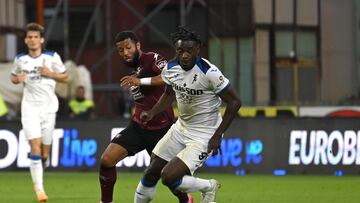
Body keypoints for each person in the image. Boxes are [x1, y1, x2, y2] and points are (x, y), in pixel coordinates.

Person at [130, 27, 241, 203]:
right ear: (176, 50)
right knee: (152, 171)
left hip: (204, 134)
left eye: (189, 51)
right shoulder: (171, 68)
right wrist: (152, 113)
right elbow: (169, 94)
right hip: (181, 128)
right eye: (181, 50)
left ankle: (209, 186)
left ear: (197, 50)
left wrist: (218, 134)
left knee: (168, 177)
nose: (185, 55)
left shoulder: (209, 72)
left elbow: (235, 102)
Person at [98, 31, 192, 203]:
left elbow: (170, 77)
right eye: (120, 50)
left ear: (138, 45)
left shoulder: (152, 58)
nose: (125, 52)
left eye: (128, 47)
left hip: (162, 130)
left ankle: (187, 200)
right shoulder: (134, 68)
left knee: (171, 179)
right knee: (106, 160)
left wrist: (140, 81)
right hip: (138, 127)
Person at [10, 22, 68, 202]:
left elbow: (66, 77)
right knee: (34, 147)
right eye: (30, 37)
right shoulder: (20, 59)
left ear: (41, 40)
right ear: (26, 40)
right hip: (29, 108)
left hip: (49, 108)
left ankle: (43, 161)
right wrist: (17, 79)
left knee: (44, 153)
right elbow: (13, 77)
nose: (33, 40)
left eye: (36, 37)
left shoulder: (52, 57)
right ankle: (40, 192)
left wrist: (50, 74)